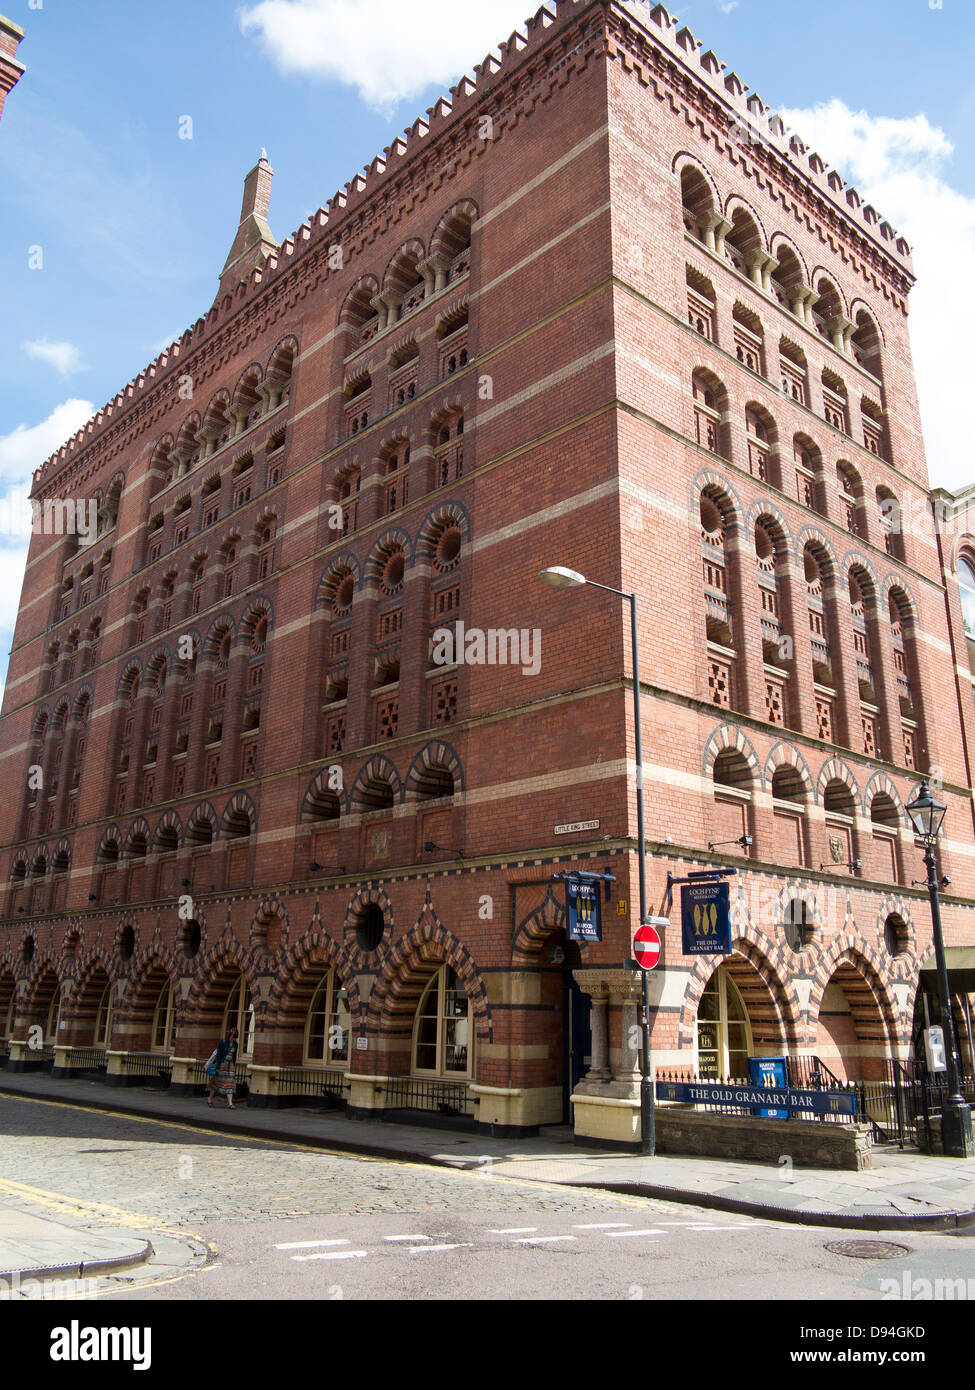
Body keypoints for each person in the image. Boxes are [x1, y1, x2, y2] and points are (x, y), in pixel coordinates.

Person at [206, 1027, 238, 1108]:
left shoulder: (235, 1044)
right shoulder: (223, 1042)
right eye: (233, 1037)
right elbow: (219, 1055)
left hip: (230, 1066)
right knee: (216, 1082)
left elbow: (234, 1056)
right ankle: (209, 1098)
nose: (233, 1039)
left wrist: (234, 1065)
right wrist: (217, 1066)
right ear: (229, 1035)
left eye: (235, 1037)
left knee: (230, 1083)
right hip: (222, 1065)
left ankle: (230, 1103)